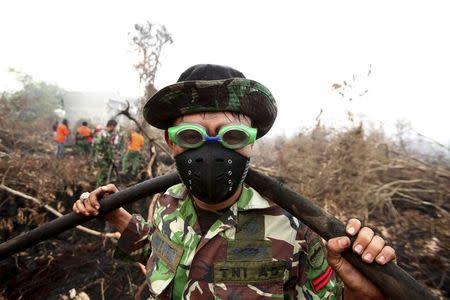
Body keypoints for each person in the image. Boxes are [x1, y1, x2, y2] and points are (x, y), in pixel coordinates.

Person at [73, 65, 396, 299]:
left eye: (232, 135)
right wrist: (115, 215)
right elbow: (158, 253)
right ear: (171, 144)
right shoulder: (168, 201)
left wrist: (361, 293)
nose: (211, 150)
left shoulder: (296, 229)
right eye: (190, 136)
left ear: (251, 144)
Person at [93, 119, 118, 187]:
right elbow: (108, 149)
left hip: (101, 157)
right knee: (103, 175)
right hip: (103, 158)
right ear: (111, 126)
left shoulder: (102, 133)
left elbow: (94, 146)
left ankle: (100, 187)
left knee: (102, 174)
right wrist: (112, 158)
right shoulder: (105, 135)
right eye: (114, 127)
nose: (114, 129)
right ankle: (98, 189)